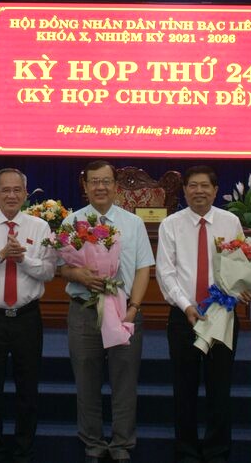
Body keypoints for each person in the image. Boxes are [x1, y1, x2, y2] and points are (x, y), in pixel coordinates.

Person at [156, 165, 251, 463]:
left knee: (219, 387)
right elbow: (165, 271)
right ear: (184, 190)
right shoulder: (171, 224)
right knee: (183, 388)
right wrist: (186, 305)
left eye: (205, 186)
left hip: (222, 316)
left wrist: (243, 289)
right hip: (183, 315)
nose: (199, 191)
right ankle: (186, 451)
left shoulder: (230, 222)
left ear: (215, 190)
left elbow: (239, 266)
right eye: (193, 186)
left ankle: (217, 452)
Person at [59, 160, 154, 463]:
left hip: (124, 309)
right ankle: (92, 441)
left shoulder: (133, 223)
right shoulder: (71, 222)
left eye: (106, 181)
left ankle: (123, 443)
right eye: (94, 182)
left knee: (125, 380)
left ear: (116, 186)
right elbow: (61, 268)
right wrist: (79, 275)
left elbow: (143, 269)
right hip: (84, 310)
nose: (100, 187)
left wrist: (134, 308)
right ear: (84, 187)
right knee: (86, 379)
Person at [0, 168, 56, 463]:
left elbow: (49, 272)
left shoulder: (40, 227)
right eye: (5, 190)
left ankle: (23, 449)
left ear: (26, 194)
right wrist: (1, 255)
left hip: (27, 316)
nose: (12, 195)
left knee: (28, 388)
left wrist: (23, 258)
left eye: (17, 190)